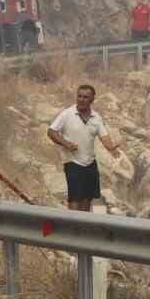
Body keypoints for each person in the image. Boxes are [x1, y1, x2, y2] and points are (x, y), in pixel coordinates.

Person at [47, 83, 122, 211]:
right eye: (79, 96)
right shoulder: (67, 114)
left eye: (85, 97)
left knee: (88, 197)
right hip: (72, 162)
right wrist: (66, 143)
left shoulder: (96, 117)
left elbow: (104, 136)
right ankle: (72, 227)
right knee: (75, 197)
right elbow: (51, 131)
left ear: (92, 100)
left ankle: (83, 226)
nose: (81, 99)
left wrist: (112, 149)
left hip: (90, 162)